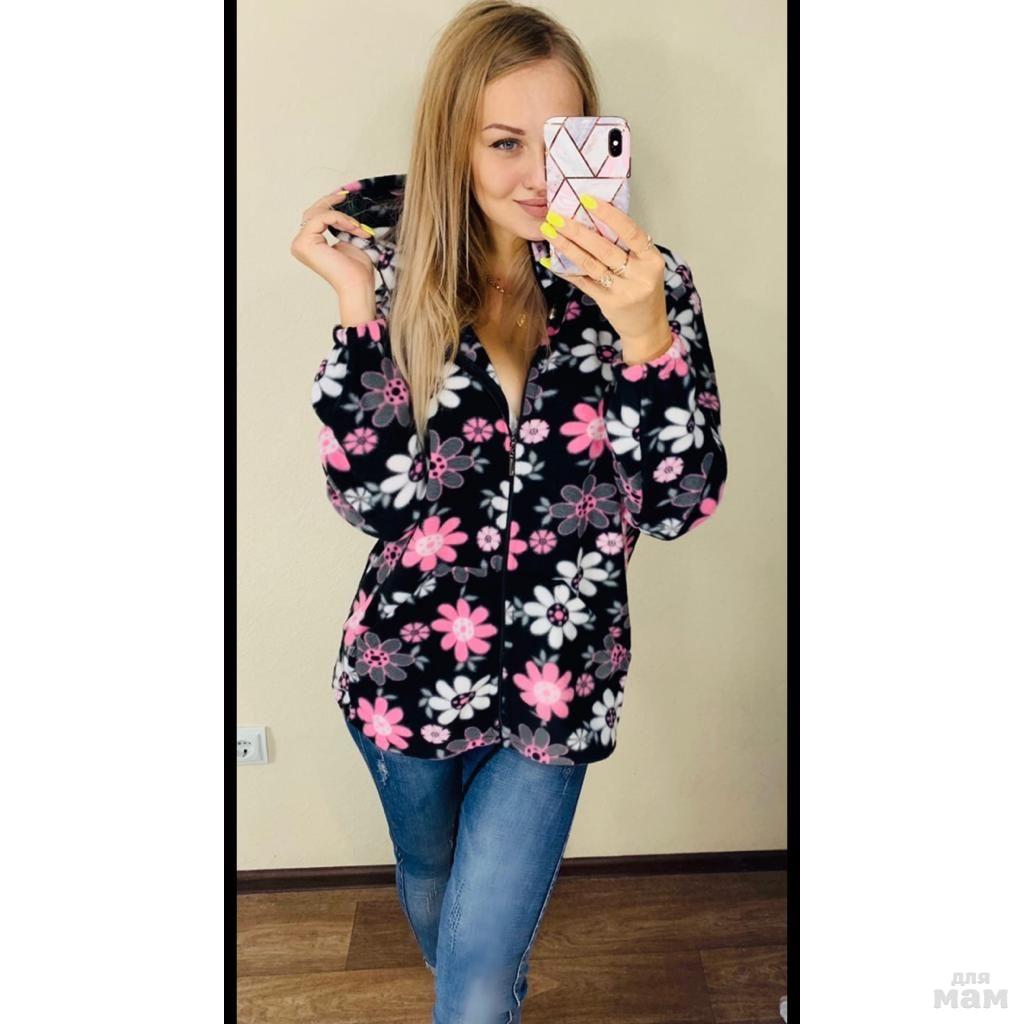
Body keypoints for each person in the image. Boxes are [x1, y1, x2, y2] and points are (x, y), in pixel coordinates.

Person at [289, 3, 727, 1019]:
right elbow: (373, 499)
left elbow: (675, 505)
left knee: (478, 976)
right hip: (404, 679)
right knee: (435, 892)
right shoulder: (398, 279)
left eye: (561, 139)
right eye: (503, 142)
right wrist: (356, 306)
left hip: (558, 687)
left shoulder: (648, 288)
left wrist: (644, 337)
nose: (536, 173)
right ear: (454, 143)